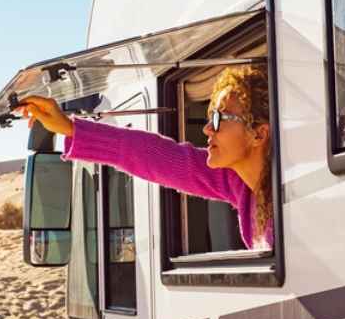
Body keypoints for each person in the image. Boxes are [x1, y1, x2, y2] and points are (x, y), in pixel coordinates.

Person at [15, 65, 273, 250]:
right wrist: (69, 128)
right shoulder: (239, 185)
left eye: (219, 119)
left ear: (258, 134)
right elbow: (150, 155)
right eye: (209, 119)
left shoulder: (287, 195)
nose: (207, 129)